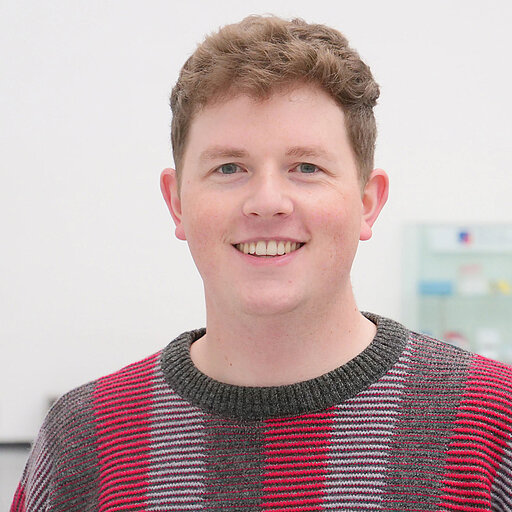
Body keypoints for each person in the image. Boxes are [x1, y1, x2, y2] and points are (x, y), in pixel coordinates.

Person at [11, 14, 512, 512]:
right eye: (229, 167)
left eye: (306, 167)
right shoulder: (81, 440)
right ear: (177, 202)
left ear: (367, 202)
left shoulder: (493, 425)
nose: (267, 202)